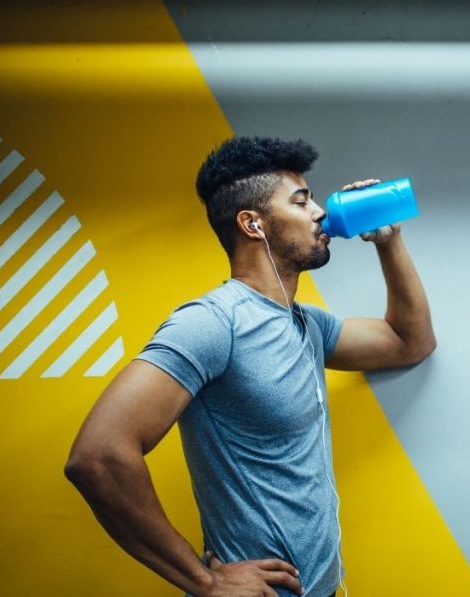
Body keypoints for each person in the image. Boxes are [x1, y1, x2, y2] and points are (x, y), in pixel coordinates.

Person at [64, 136, 436, 597]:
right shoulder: (214, 322)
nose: (320, 211)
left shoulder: (306, 326)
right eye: (301, 201)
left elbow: (409, 342)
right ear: (253, 224)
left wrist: (389, 242)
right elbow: (97, 456)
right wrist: (204, 581)